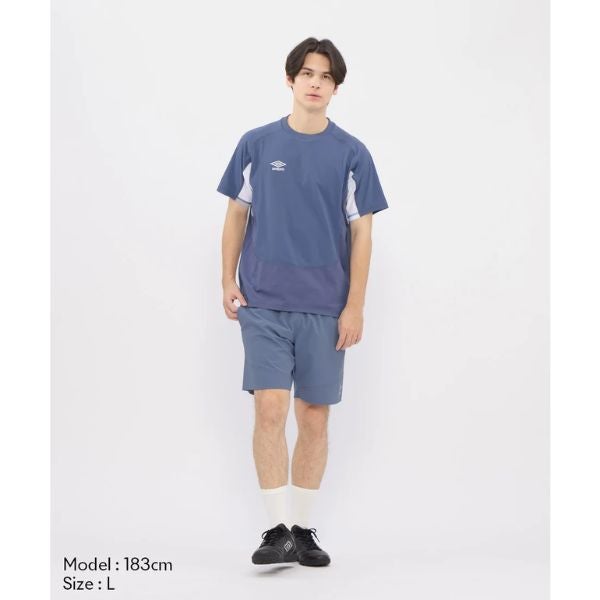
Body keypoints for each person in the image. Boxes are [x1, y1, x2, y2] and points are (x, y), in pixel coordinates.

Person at [217, 37, 389, 567]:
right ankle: (276, 531)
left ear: (336, 88)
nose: (316, 82)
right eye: (308, 73)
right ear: (290, 79)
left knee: (313, 416)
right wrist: (226, 278)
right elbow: (236, 214)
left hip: (325, 306)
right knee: (269, 407)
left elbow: (362, 233)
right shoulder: (257, 144)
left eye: (326, 76)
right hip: (264, 301)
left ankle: (302, 530)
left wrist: (355, 305)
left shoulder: (352, 154)